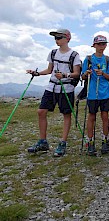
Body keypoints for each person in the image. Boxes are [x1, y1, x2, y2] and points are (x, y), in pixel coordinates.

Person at [26, 29, 81, 157]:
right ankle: (43, 141)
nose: (57, 40)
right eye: (55, 38)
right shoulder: (53, 53)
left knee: (66, 114)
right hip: (52, 86)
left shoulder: (74, 55)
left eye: (59, 37)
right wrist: (37, 73)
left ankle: (63, 143)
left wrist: (65, 75)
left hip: (66, 88)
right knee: (41, 111)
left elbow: (76, 73)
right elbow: (50, 70)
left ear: (67, 38)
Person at [81, 35, 109, 156]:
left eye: (103, 44)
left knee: (105, 116)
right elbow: (83, 76)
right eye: (99, 44)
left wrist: (102, 73)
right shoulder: (89, 59)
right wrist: (87, 73)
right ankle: (90, 142)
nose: (101, 46)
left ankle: (105, 140)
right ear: (94, 45)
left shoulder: (108, 60)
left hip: (105, 92)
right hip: (92, 93)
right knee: (92, 116)